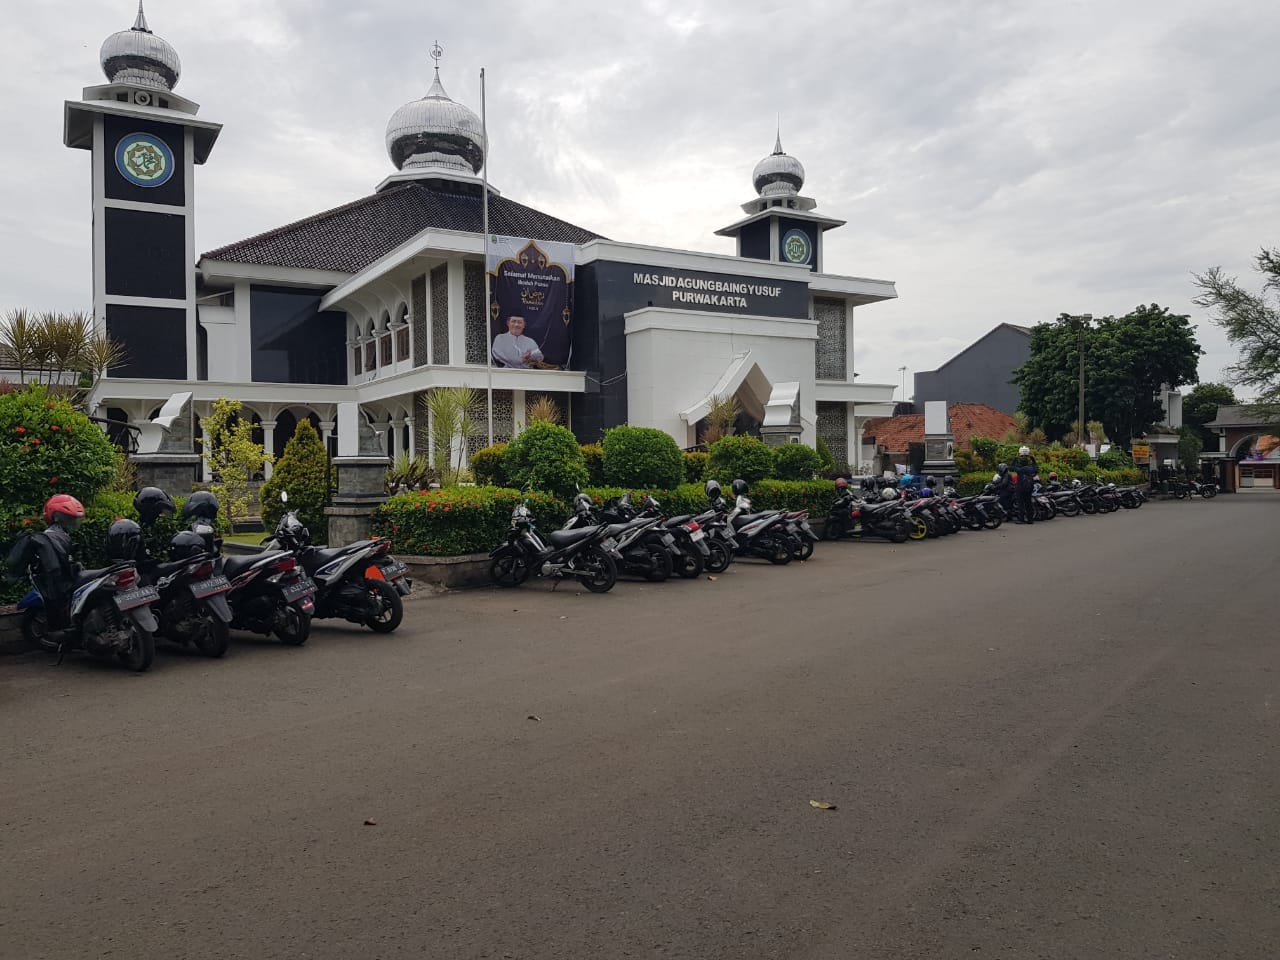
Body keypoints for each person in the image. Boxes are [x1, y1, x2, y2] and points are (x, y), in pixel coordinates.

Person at [1012, 445, 1038, 522]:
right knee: (1028, 503)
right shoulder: (1031, 469)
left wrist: (1016, 458)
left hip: (1020, 488)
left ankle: (1021, 519)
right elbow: (1036, 468)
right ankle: (1030, 519)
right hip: (1029, 488)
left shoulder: (1019, 470)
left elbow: (1012, 467)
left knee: (1021, 504)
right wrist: (1033, 459)